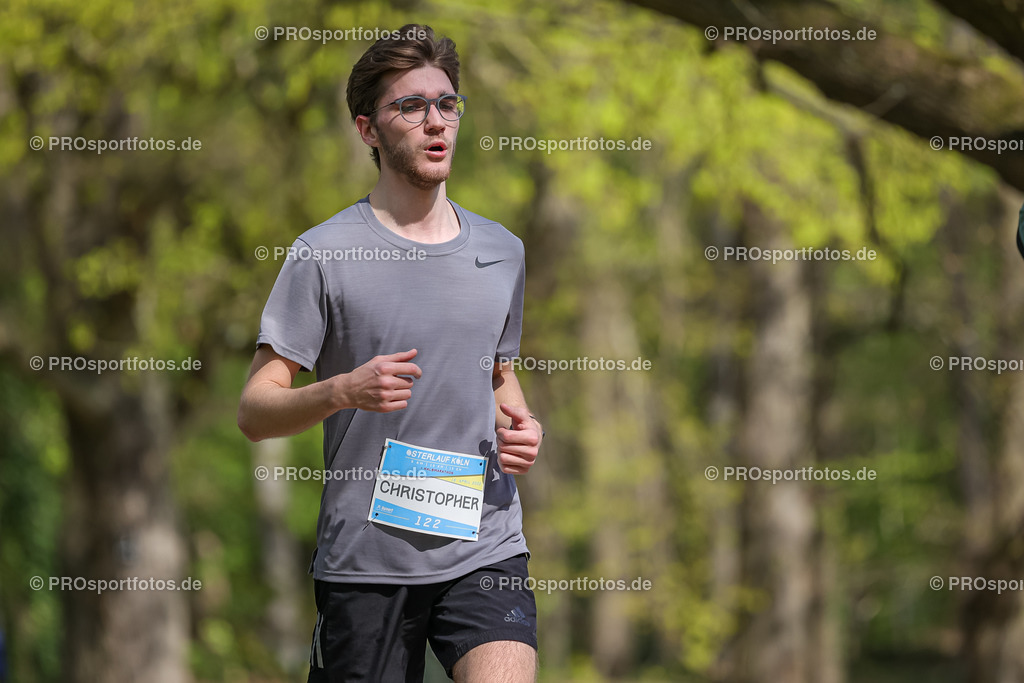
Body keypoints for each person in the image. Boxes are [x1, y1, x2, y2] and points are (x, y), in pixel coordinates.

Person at [238, 23, 543, 683]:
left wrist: (519, 423)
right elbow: (256, 411)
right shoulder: (322, 254)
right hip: (365, 564)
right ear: (368, 129)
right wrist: (342, 390)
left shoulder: (502, 252)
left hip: (483, 543)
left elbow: (498, 373)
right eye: (410, 106)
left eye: (447, 104)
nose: (436, 122)